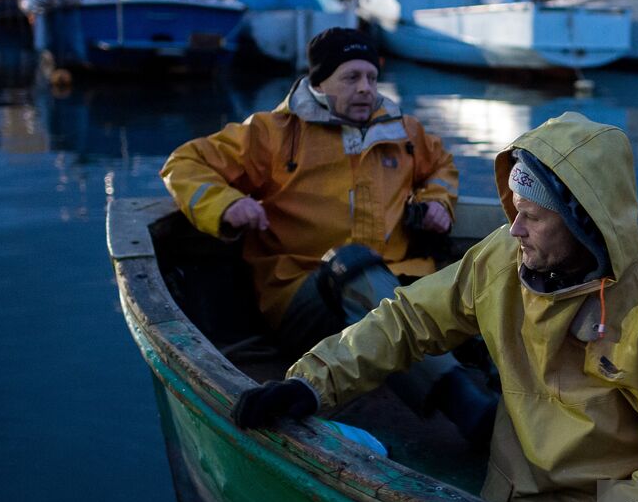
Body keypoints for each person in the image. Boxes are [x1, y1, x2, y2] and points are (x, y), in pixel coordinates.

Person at [231, 112, 638, 502]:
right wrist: (311, 384)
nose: (514, 228)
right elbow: (409, 319)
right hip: (511, 501)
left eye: (533, 217)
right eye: (514, 210)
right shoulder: (503, 257)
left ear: (586, 224)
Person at [161, 27, 493, 442]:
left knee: (473, 281)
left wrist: (437, 203)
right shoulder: (273, 134)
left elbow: (440, 167)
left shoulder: (403, 132)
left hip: (396, 284)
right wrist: (226, 205)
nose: (365, 89)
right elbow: (185, 162)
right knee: (354, 266)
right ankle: (466, 405)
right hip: (304, 295)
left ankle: (505, 384)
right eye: (350, 78)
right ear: (319, 82)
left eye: (371, 78)